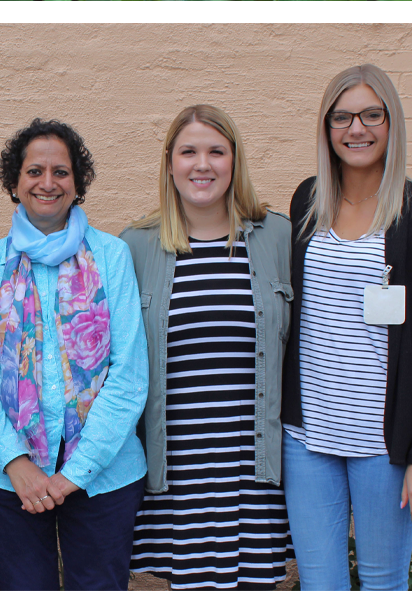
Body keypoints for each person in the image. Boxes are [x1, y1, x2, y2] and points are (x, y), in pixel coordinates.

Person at [281, 64, 412, 591]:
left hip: (385, 442)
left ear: (392, 123)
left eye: (370, 115)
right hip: (307, 435)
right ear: (326, 127)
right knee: (320, 585)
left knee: (384, 584)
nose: (355, 129)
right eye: (341, 117)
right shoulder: (306, 202)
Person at [0, 120, 147, 590]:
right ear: (14, 182)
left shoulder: (112, 256)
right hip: (8, 481)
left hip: (105, 474)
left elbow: (129, 373)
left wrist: (75, 473)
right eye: (34, 171)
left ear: (77, 182)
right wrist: (15, 462)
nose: (48, 183)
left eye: (61, 171)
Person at [123, 106, 294, 589]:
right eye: (189, 152)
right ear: (170, 163)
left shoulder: (277, 236)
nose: (203, 164)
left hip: (252, 464)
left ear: (234, 161)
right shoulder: (135, 246)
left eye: (216, 151)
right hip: (178, 465)